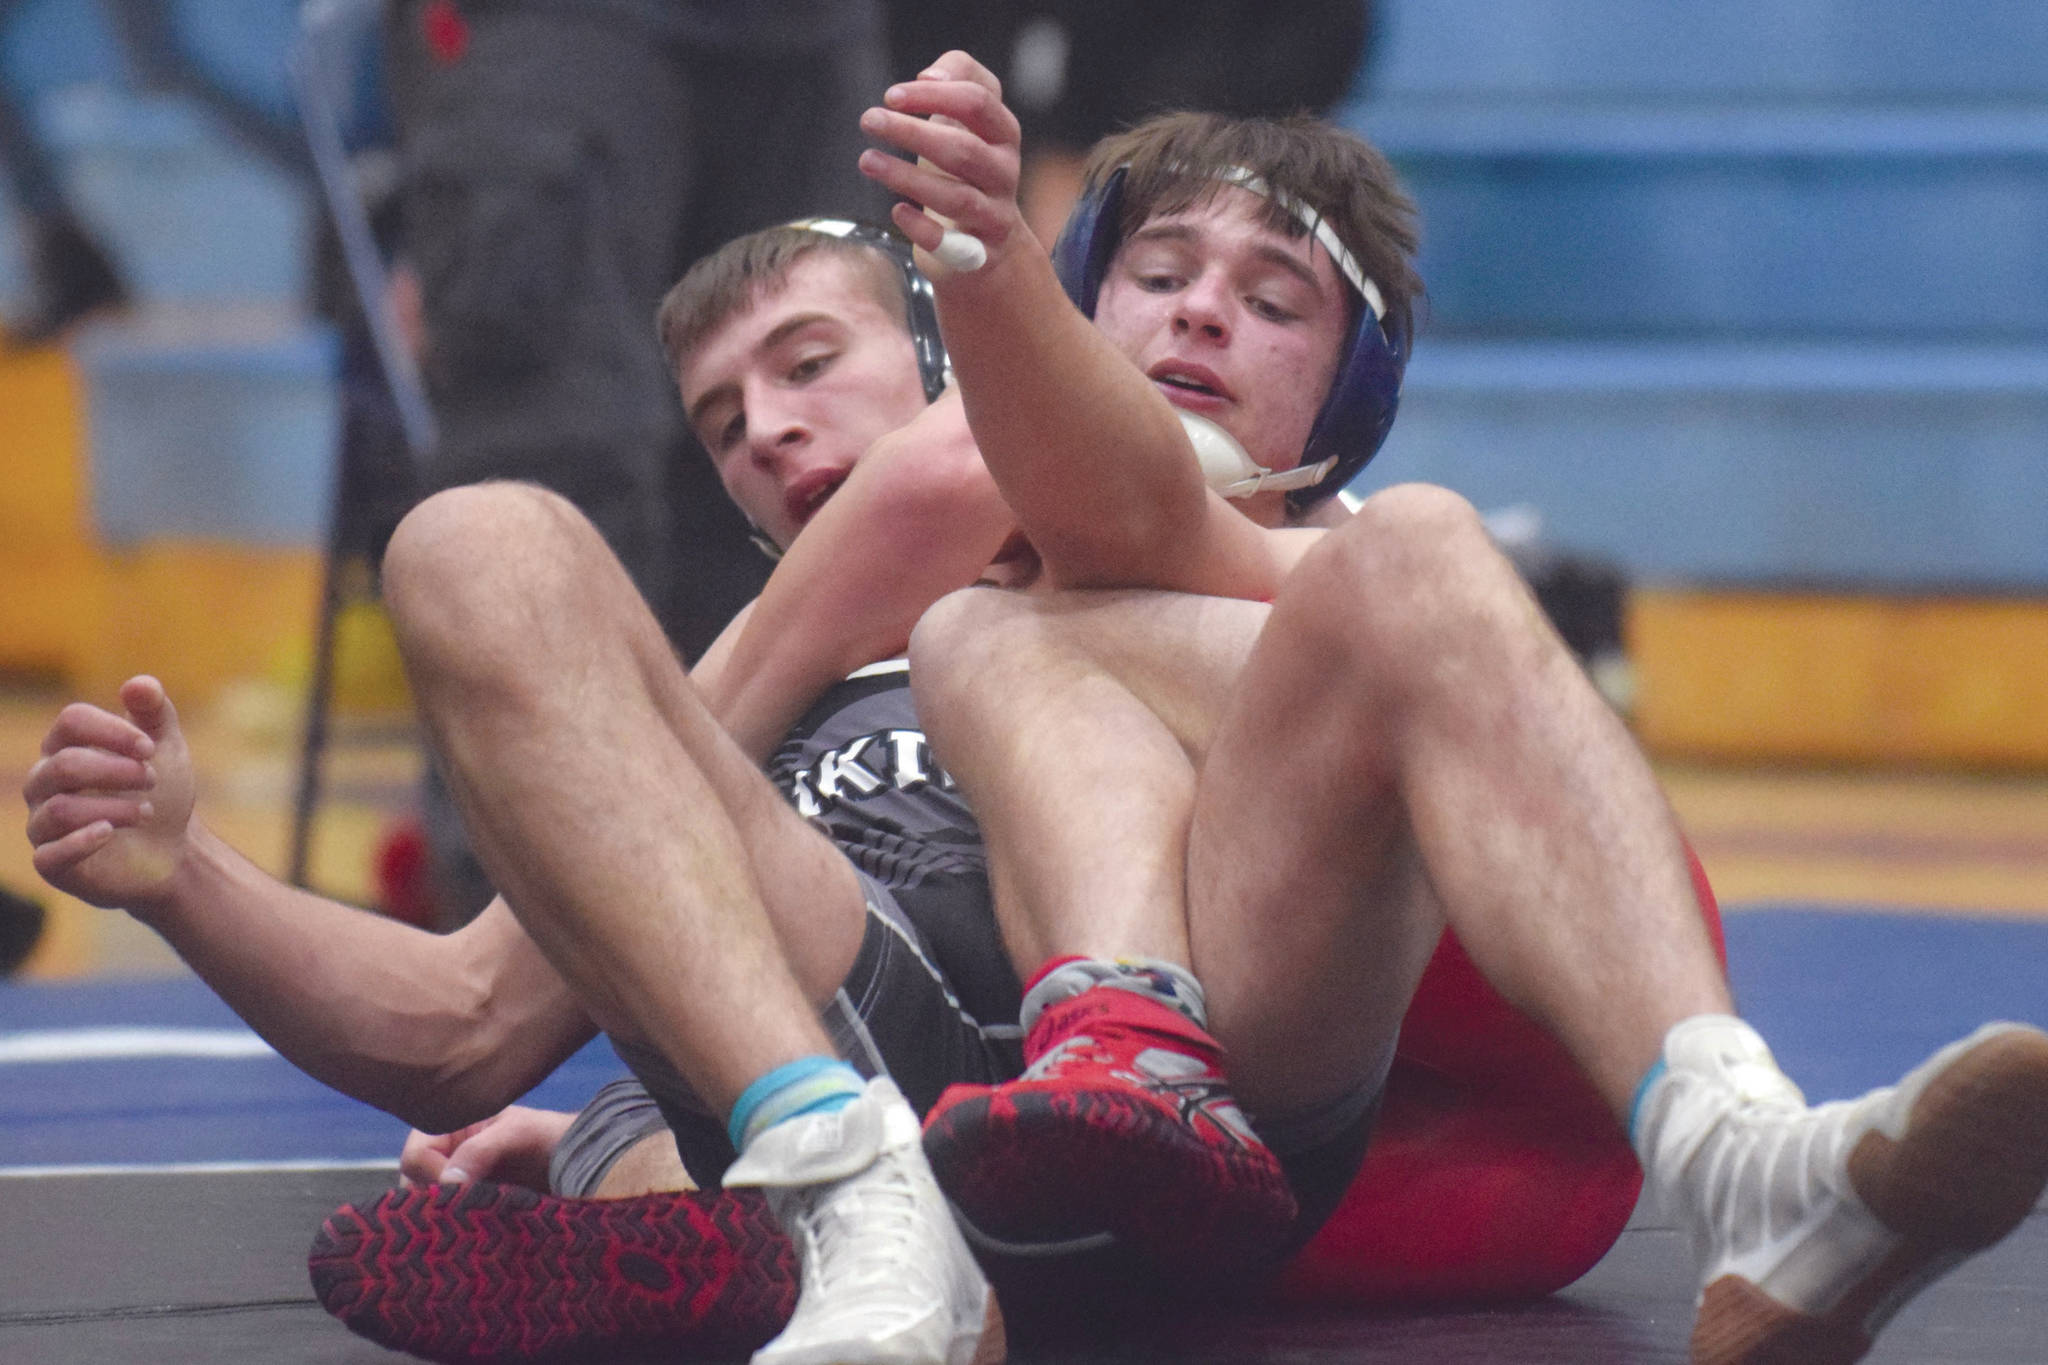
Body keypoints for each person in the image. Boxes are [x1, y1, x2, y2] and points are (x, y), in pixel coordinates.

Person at [849, 52, 2048, 1365]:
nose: (1201, 317)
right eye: (1160, 276)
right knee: (978, 634)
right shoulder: (966, 556)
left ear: (1349, 397)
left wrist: (986, 266)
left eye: (1271, 300)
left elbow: (1126, 513)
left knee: (1360, 564)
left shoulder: (1336, 563)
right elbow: (681, 743)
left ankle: (1735, 1143)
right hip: (1212, 1166)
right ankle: (1749, 1171)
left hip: (1472, 1148)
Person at [28, 220, 1026, 1365]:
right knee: (470, 543)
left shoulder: (1130, 514)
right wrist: (183, 876)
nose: (768, 429)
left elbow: (960, 471)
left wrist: (1004, 288)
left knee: (627, 1125)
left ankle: (688, 1205)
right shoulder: (745, 686)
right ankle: (790, 1192)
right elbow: (464, 1022)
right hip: (850, 1042)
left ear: (950, 348)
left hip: (1100, 1060)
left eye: (808, 364)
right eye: (722, 423)